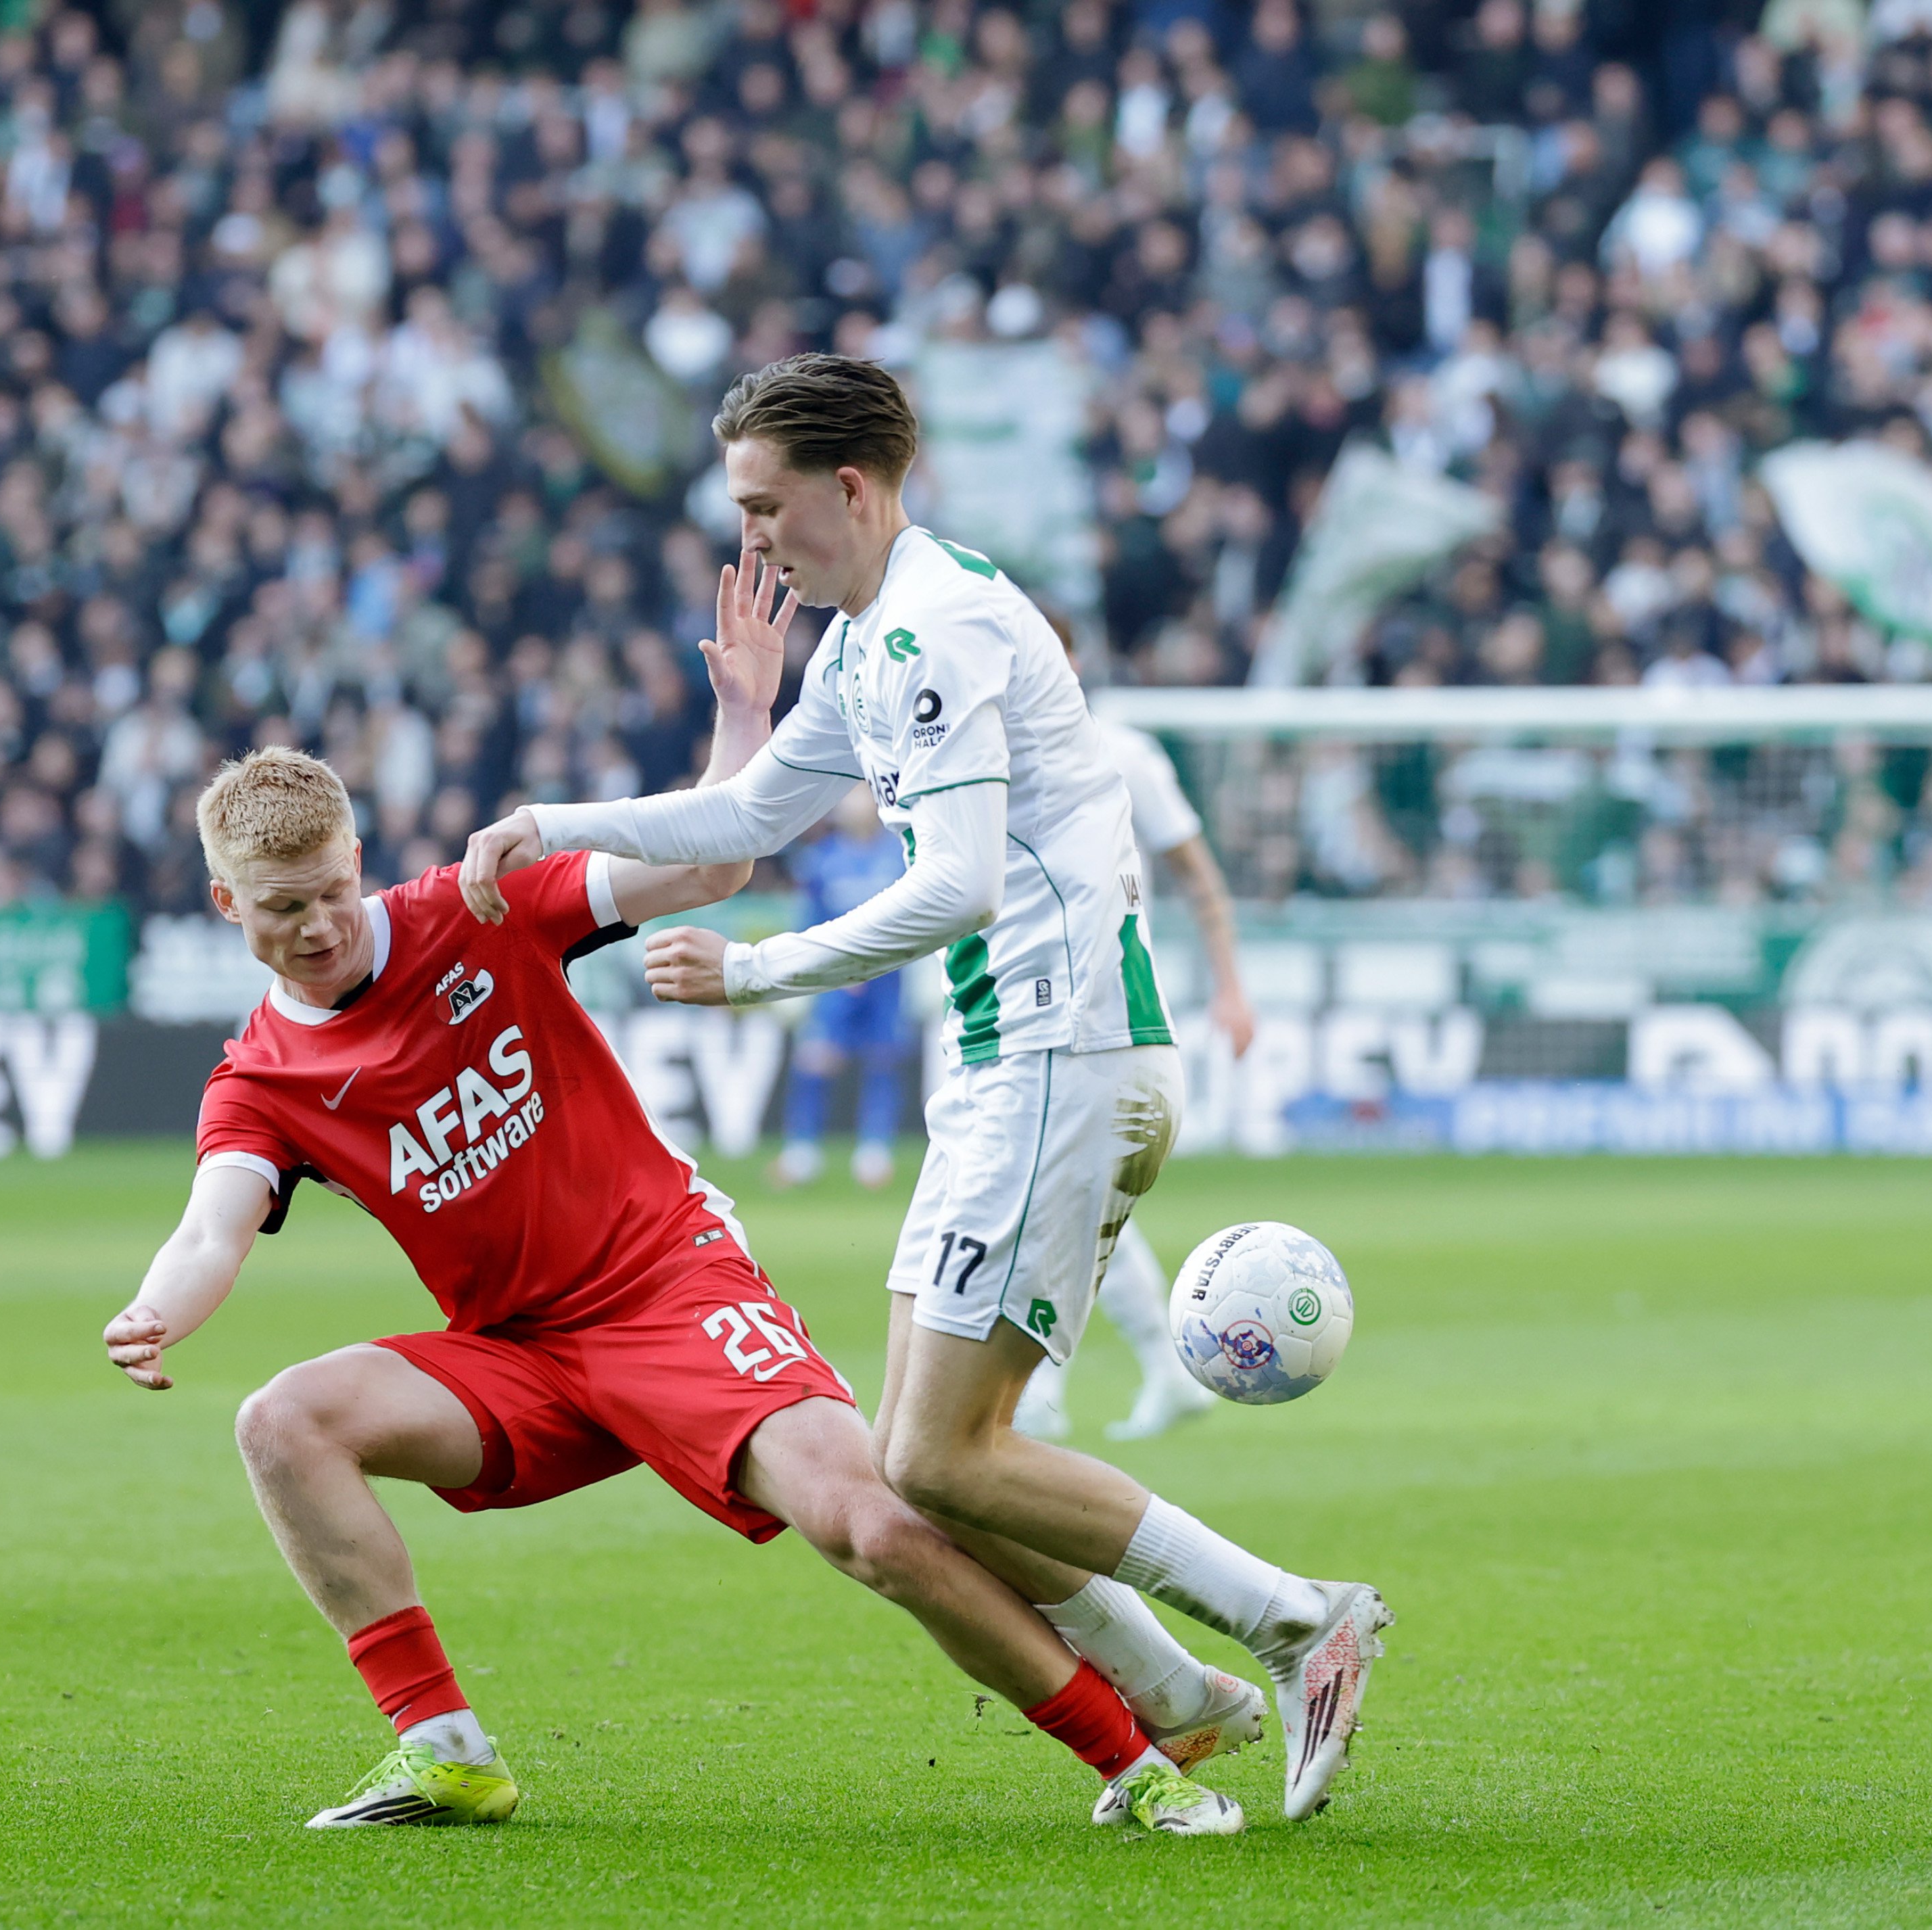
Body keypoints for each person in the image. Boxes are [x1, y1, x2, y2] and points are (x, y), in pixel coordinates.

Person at [103, 571, 1252, 1837]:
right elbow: (215, 1220)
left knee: (871, 1519)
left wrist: (746, 714)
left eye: (330, 886)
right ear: (227, 905)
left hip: (665, 1287)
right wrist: (157, 1310)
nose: (319, 922)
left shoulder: (470, 909)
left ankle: (1134, 1759)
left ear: (356, 855)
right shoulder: (260, 1077)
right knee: (283, 1421)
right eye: (281, 907)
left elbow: (711, 868)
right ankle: (442, 1749)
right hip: (517, 1355)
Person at [462, 354, 1387, 1822]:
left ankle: (1293, 1620)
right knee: (926, 1467)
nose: (750, 541)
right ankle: (1181, 1691)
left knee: (938, 1453)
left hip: (1054, 1053)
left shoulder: (935, 629)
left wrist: (761, 972)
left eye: (767, 509)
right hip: (1015, 1070)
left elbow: (954, 884)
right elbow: (751, 810)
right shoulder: (867, 636)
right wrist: (544, 824)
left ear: (851, 485)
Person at [1011, 619, 1254, 1444]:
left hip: (1105, 1011)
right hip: (1010, 1012)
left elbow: (1196, 874)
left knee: (1057, 1195)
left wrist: (1230, 986)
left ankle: (1044, 1387)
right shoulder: (975, 756)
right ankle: (1162, 1369)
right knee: (1067, 1196)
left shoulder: (1125, 753)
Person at [770, 791, 913, 1191]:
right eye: (848, 797)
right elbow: (808, 923)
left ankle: (874, 1150)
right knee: (816, 1060)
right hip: (834, 981)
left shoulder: (899, 856)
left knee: (883, 1059)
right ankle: (802, 1151)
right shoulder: (821, 860)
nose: (855, 805)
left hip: (887, 979)